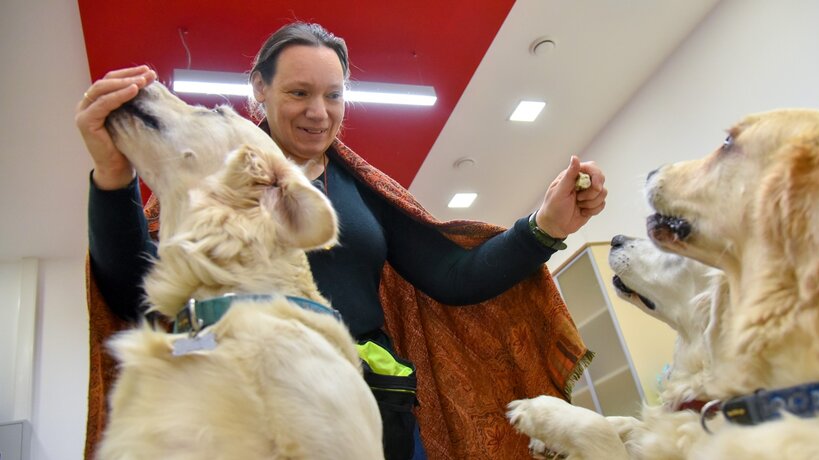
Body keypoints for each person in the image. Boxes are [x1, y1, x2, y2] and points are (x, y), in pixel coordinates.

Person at [76, 22, 607, 460]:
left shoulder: (363, 190)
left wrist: (545, 225)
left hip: (371, 411)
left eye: (333, 95)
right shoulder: (212, 172)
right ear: (259, 88)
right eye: (299, 93)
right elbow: (136, 293)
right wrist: (113, 175)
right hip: (233, 409)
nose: (319, 112)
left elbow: (454, 276)